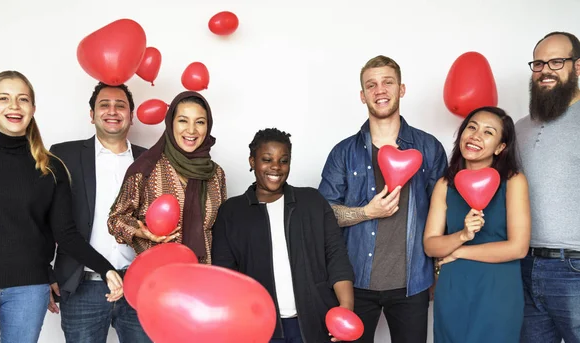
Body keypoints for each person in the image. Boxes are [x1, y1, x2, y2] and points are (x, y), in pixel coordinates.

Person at [0, 71, 123, 343]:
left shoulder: (50, 167)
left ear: (33, 108)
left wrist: (106, 269)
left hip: (28, 290)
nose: (14, 106)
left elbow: (66, 234)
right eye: (4, 99)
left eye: (23, 99)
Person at [317, 55, 447, 343]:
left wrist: (439, 271)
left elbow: (442, 215)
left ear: (401, 89)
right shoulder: (343, 152)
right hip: (355, 285)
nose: (380, 90)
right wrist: (366, 212)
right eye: (372, 85)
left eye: (388, 82)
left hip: (412, 285)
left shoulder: (429, 148)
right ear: (363, 96)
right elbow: (324, 214)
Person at [211, 128, 355, 343]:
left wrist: (345, 310)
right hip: (260, 328)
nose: (276, 167)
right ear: (252, 161)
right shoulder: (232, 212)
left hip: (316, 322)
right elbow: (225, 275)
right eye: (267, 159)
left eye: (283, 160)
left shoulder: (312, 201)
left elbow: (336, 257)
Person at [49, 82, 150, 342]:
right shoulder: (63, 155)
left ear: (132, 115)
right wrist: (45, 273)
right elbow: (44, 218)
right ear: (92, 114)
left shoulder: (150, 161)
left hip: (139, 287)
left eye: (121, 105)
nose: (112, 111)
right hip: (82, 286)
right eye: (104, 105)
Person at [423, 106, 530, 342]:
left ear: (501, 147)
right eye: (471, 127)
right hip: (453, 290)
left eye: (488, 132)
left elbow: (518, 248)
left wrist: (459, 251)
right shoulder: (444, 184)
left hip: (497, 291)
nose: (475, 136)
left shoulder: (513, 182)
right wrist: (461, 235)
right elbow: (431, 245)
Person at [108, 91, 226, 264]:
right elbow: (115, 220)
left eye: (200, 122)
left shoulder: (215, 174)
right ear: (171, 123)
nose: (191, 130)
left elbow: (220, 232)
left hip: (202, 279)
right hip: (156, 278)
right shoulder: (146, 168)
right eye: (183, 120)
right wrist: (143, 232)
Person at [516, 31, 580, 343]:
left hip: (575, 268)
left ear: (577, 67)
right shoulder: (520, 127)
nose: (545, 70)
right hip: (524, 266)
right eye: (539, 63)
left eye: (556, 62)